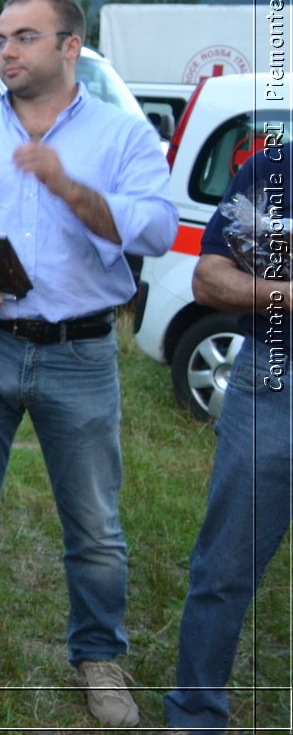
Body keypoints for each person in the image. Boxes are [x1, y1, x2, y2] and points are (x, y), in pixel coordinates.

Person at [0, 0, 177, 727]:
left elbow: (154, 228)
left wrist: (67, 186)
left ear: (70, 45)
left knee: (94, 520)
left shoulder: (123, 137)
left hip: (79, 352)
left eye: (24, 37)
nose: (7, 51)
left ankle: (98, 653)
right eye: (1, 39)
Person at [163, 139, 290, 732]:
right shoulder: (274, 167)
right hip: (275, 375)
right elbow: (208, 278)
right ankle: (195, 714)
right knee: (227, 564)